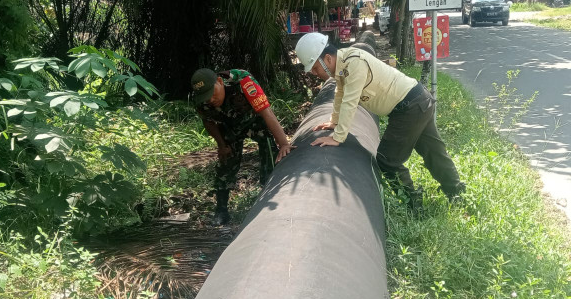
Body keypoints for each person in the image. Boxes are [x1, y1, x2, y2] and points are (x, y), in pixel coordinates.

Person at [294, 33, 464, 211]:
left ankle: (415, 206)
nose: (314, 74)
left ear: (328, 59)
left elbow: (350, 101)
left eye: (315, 68)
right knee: (434, 152)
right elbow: (340, 92)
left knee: (387, 160)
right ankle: (457, 194)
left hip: (409, 107)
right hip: (418, 100)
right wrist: (334, 121)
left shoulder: (354, 63)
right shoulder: (343, 64)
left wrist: (337, 137)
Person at [191, 68, 294, 224]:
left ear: (219, 81)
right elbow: (208, 121)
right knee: (226, 163)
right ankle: (221, 211)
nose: (210, 99)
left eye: (212, 93)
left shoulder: (244, 82)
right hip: (230, 126)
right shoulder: (201, 98)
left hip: (255, 121)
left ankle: (269, 194)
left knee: (270, 150)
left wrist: (284, 143)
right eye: (206, 97)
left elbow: (266, 112)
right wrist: (221, 145)